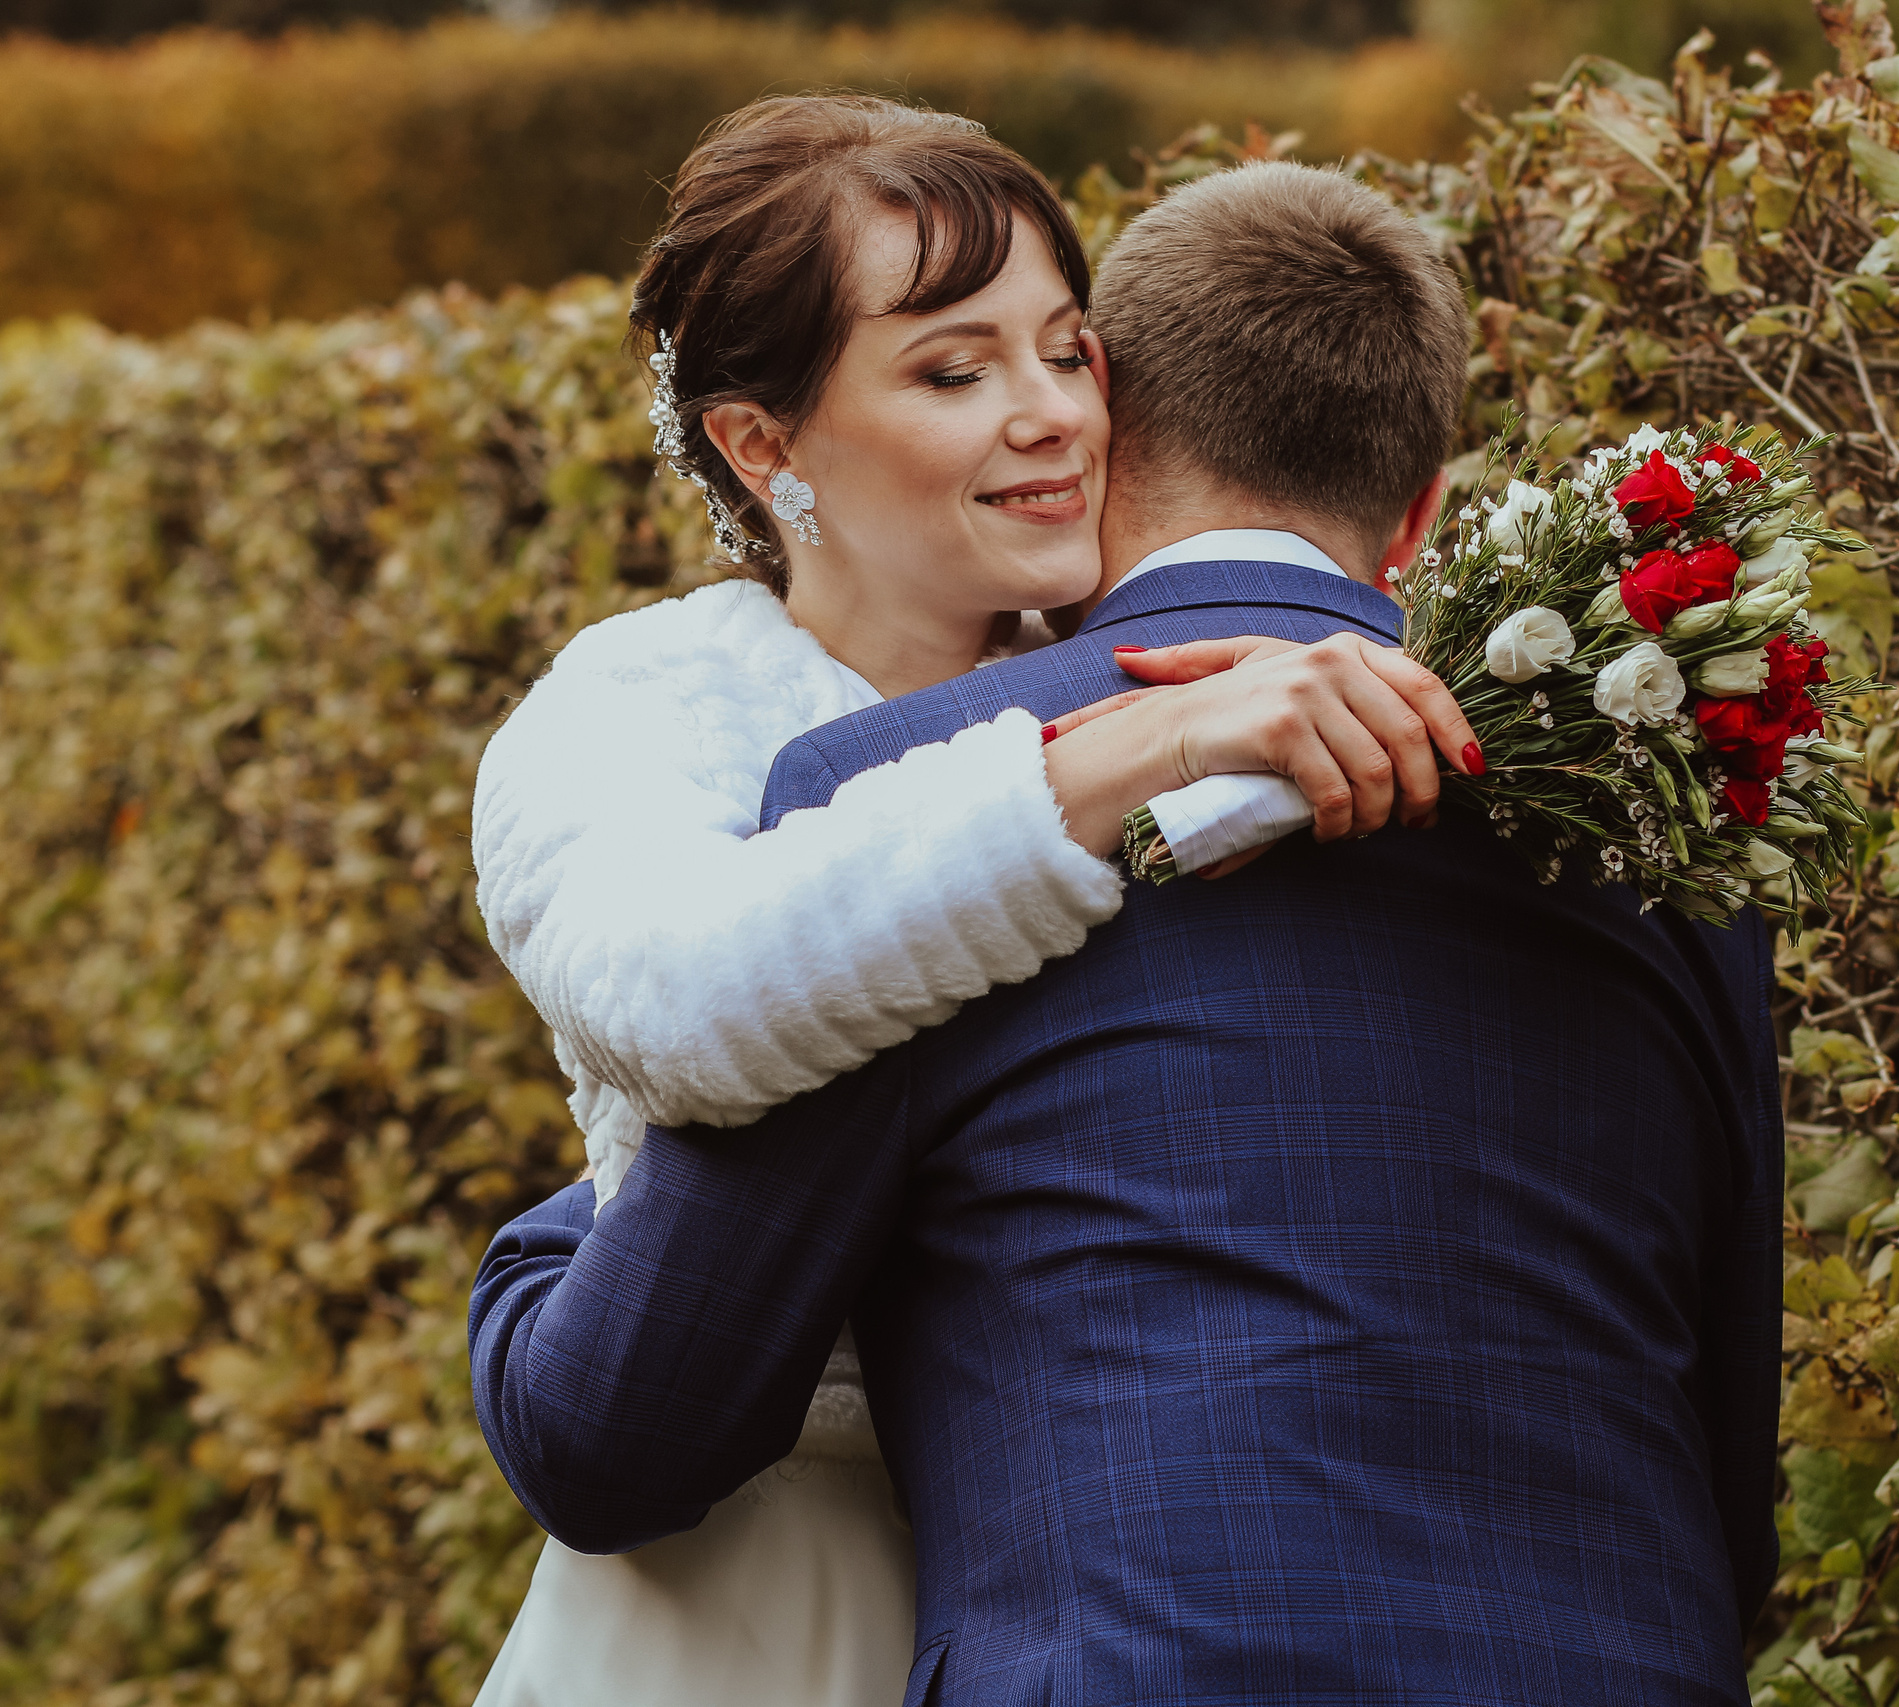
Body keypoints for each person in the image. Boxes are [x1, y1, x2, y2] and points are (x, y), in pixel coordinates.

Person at [471, 159, 1784, 1704]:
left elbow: (622, 1427)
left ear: (1121, 418)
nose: (1039, 412)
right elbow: (1729, 1461)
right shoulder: (1643, 807)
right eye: (957, 370)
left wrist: (560, 1234)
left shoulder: (897, 784)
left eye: (1060, 354)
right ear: (1424, 512)